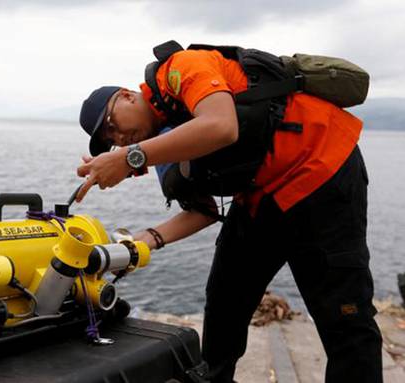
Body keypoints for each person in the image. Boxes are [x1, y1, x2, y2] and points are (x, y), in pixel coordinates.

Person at [75, 42, 382, 383]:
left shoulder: (180, 68)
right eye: (110, 140)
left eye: (112, 124)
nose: (118, 137)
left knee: (345, 320)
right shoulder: (169, 138)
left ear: (128, 96)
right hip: (262, 196)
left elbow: (223, 126)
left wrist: (128, 158)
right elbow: (202, 211)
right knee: (224, 302)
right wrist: (146, 240)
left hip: (322, 171)